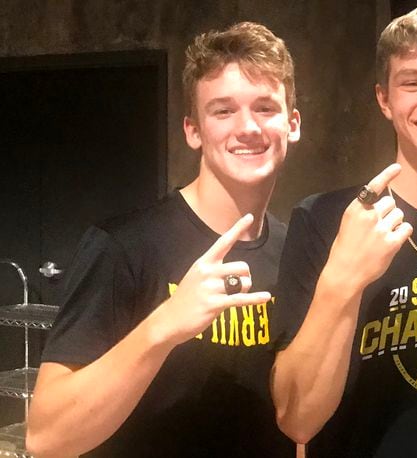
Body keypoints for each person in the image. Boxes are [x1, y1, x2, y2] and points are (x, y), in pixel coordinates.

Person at [26, 22, 300, 457]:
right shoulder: (123, 247)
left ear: (293, 124)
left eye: (265, 108)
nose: (248, 127)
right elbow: (47, 438)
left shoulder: (295, 254)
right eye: (223, 110)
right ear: (193, 130)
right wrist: (164, 325)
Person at [271, 5, 417, 457]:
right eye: (412, 82)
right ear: (384, 99)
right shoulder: (323, 219)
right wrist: (342, 278)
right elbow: (297, 420)